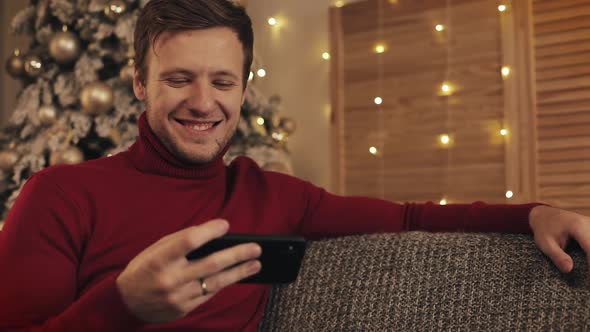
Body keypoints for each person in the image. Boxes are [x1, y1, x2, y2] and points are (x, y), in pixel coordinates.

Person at [0, 0, 589, 331]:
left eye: (222, 81)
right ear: (138, 83)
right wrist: (123, 306)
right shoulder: (58, 195)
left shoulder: (274, 196)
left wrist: (534, 213)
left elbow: (411, 216)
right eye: (178, 79)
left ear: (242, 89)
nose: (204, 102)